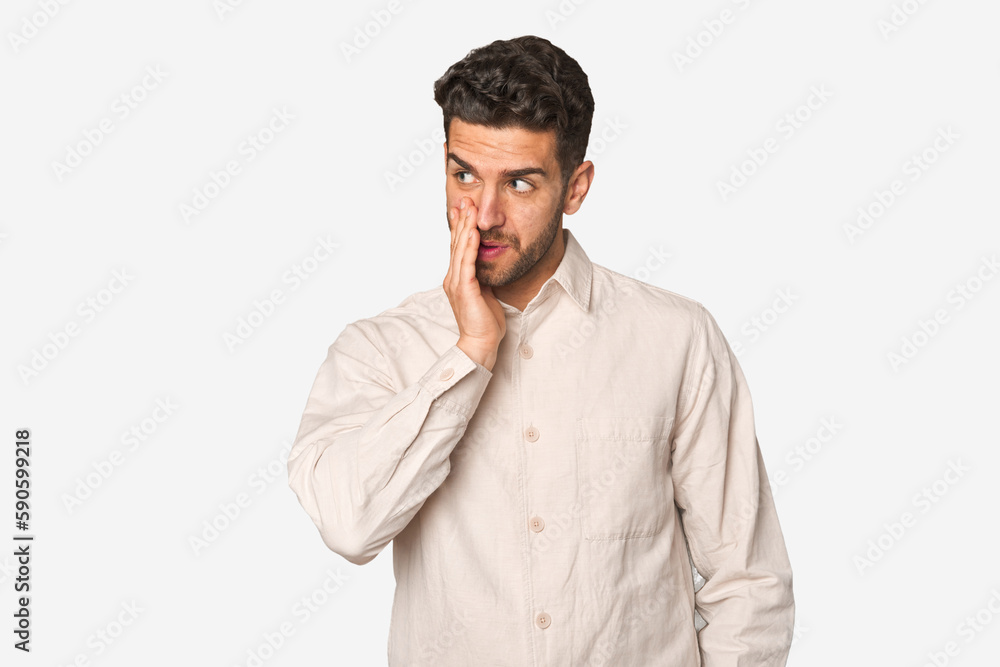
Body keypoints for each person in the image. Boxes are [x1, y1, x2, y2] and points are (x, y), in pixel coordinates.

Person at [287, 34, 794, 666]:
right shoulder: (380, 350)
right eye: (464, 175)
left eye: (520, 184)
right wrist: (470, 354)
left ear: (576, 188)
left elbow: (747, 580)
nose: (484, 214)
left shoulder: (677, 338)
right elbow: (349, 525)